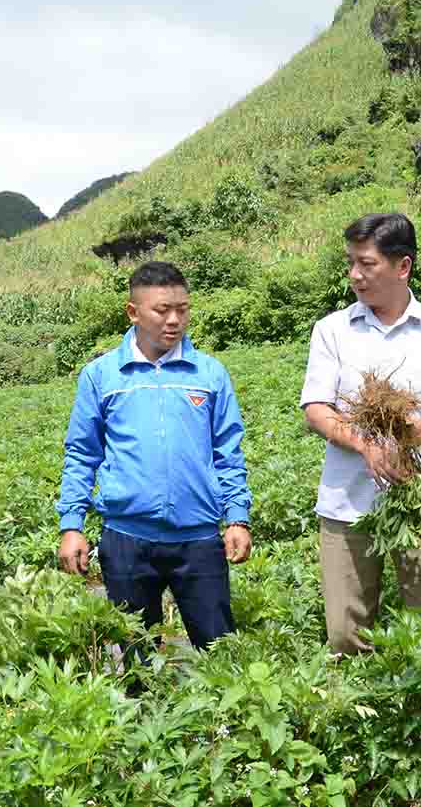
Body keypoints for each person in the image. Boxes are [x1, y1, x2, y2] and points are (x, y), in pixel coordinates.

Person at [300, 212, 421, 655]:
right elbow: (316, 409)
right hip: (347, 503)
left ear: (402, 267)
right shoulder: (332, 331)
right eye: (351, 262)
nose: (354, 275)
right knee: (346, 633)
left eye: (366, 264)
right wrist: (364, 444)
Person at [55, 260, 252, 651]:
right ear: (133, 312)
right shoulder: (102, 376)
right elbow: (82, 454)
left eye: (183, 309)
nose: (174, 320)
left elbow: (228, 452)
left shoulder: (210, 375)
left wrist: (238, 518)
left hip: (198, 539)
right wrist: (71, 524)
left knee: (220, 654)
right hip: (127, 538)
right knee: (134, 656)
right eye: (162, 310)